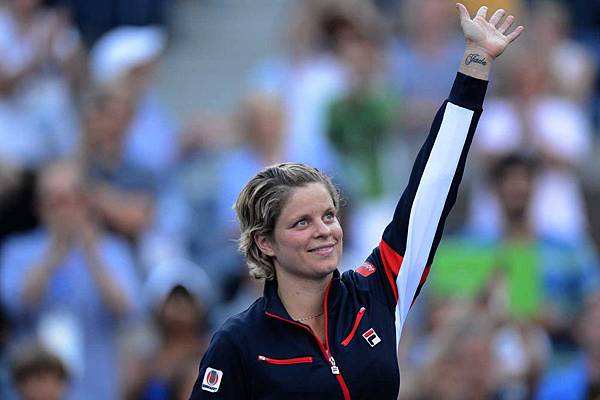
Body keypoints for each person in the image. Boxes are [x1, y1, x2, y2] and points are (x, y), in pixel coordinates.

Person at [190, 4, 523, 399]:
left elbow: (431, 190)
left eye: (329, 215)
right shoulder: (238, 344)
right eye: (302, 222)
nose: (324, 231)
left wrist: (475, 64)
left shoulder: (378, 292)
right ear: (265, 242)